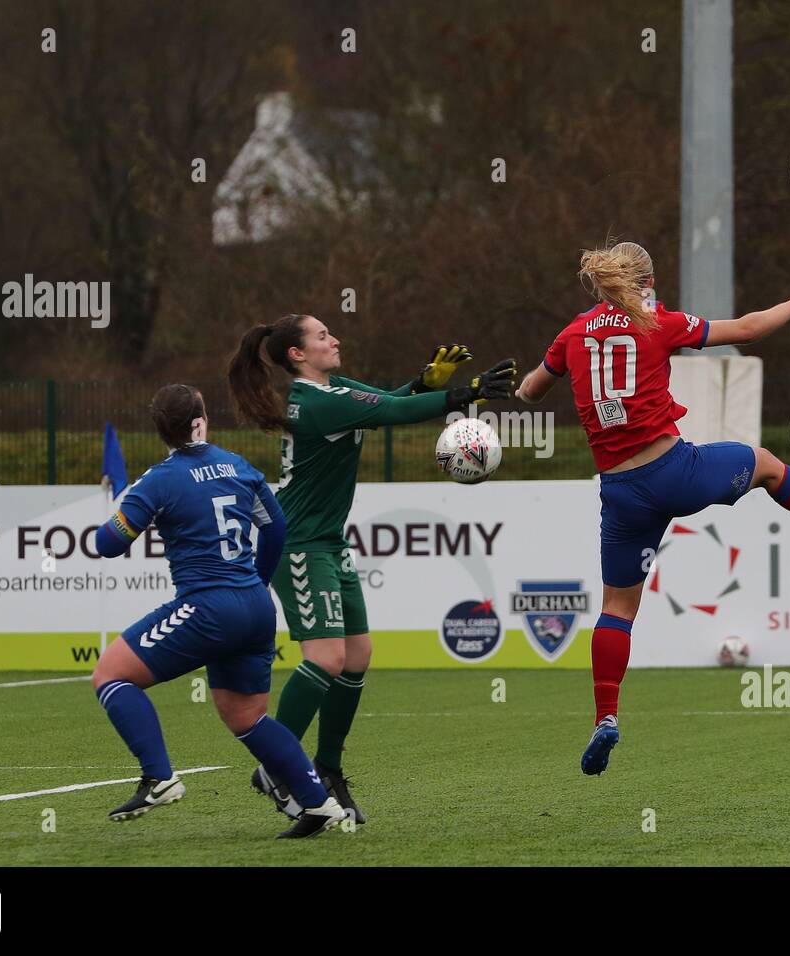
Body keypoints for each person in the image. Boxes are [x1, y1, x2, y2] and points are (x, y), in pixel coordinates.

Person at [515, 240, 790, 776]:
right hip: (674, 474)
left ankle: (606, 717)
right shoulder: (657, 321)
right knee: (762, 463)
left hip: (620, 494)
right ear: (646, 281)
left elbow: (531, 390)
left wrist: (518, 392)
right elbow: (747, 329)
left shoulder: (571, 335)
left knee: (617, 609)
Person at [227, 314, 516, 821]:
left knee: (357, 654)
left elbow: (389, 402)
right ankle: (274, 765)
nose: (334, 339)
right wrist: (464, 393)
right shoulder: (315, 401)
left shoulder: (332, 389)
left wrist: (426, 384)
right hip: (297, 545)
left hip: (327, 543)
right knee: (325, 658)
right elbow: (390, 414)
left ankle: (329, 768)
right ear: (297, 354)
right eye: (321, 335)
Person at [91, 383, 345, 838]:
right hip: (254, 605)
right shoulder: (237, 465)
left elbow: (107, 545)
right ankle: (320, 804)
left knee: (111, 674)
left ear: (162, 431)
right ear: (200, 420)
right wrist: (258, 583)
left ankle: (159, 777)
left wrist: (122, 510)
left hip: (209, 605)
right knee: (246, 717)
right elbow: (276, 529)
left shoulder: (160, 479)